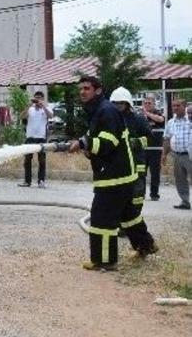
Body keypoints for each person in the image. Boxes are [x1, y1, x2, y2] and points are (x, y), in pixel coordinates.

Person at [67, 76, 139, 271]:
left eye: (87, 88)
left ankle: (105, 261)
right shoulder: (99, 110)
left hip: (114, 176)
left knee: (101, 219)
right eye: (80, 89)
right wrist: (84, 144)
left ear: (98, 90)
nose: (82, 92)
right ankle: (145, 246)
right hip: (119, 173)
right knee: (129, 217)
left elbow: (108, 142)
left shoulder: (106, 110)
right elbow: (96, 137)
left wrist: (84, 144)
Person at [108, 87, 158, 257]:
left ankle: (140, 239)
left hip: (137, 167)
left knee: (135, 202)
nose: (118, 106)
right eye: (115, 103)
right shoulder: (112, 119)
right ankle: (134, 234)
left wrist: (134, 142)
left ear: (128, 104)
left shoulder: (137, 119)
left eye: (121, 103)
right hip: (119, 168)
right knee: (122, 202)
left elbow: (149, 137)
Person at [162, 99, 191, 210]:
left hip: (190, 155)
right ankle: (185, 201)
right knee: (180, 179)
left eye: (178, 105)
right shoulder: (171, 122)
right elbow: (166, 138)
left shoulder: (190, 120)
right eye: (173, 106)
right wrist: (164, 154)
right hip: (177, 155)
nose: (175, 108)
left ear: (184, 106)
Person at [19, 90, 52, 188]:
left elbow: (51, 116)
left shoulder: (46, 108)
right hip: (30, 137)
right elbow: (21, 116)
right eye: (36, 98)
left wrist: (43, 106)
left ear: (42, 99)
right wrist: (29, 105)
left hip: (41, 138)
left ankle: (41, 181)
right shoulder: (30, 109)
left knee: (42, 160)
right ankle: (27, 181)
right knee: (27, 160)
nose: (37, 100)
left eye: (39, 98)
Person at [140, 94, 165, 200]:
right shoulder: (140, 115)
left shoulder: (158, 113)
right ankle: (141, 193)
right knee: (141, 172)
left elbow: (161, 120)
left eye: (149, 103)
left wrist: (147, 113)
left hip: (155, 149)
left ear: (154, 104)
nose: (147, 105)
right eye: (145, 103)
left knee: (155, 173)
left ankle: (154, 194)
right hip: (142, 149)